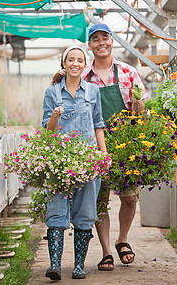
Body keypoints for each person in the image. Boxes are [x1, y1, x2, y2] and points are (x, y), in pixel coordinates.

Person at [82, 23, 148, 271]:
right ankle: (107, 251)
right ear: (90, 45)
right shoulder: (84, 77)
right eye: (95, 39)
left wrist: (139, 104)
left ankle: (122, 240)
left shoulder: (129, 72)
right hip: (95, 144)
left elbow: (140, 112)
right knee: (100, 200)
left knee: (129, 198)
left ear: (112, 41)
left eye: (105, 38)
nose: (101, 43)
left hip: (126, 143)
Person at [42, 46, 107, 280]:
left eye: (80, 60)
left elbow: (98, 125)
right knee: (57, 210)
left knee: (86, 210)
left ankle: (79, 266)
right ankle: (55, 267)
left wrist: (103, 155)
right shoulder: (52, 92)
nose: (75, 64)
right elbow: (47, 131)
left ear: (84, 64)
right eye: (71, 60)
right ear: (64, 63)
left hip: (88, 160)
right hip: (60, 160)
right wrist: (55, 116)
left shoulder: (92, 92)